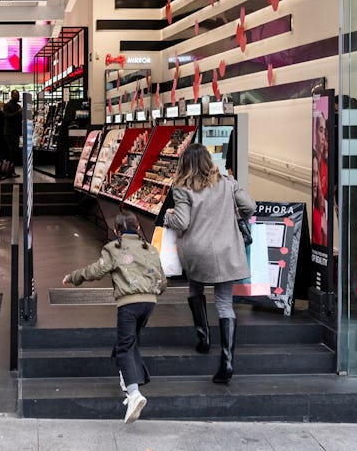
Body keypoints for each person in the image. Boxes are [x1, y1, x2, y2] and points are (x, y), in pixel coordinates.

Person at [163, 142, 255, 385]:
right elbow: (250, 206)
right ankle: (227, 362)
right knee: (225, 304)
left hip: (198, 252)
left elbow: (182, 222)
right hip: (227, 251)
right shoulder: (227, 182)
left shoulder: (182, 188)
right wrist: (234, 220)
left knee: (195, 289)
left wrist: (168, 217)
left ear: (185, 164)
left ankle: (203, 339)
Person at [62, 209, 166, 424]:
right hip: (150, 303)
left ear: (116, 230)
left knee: (125, 346)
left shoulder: (113, 248)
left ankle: (134, 393)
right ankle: (125, 375)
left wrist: (73, 277)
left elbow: (96, 271)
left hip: (129, 304)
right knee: (128, 341)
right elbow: (162, 279)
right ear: (138, 228)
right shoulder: (151, 250)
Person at [2, 89, 23, 176]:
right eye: (15, 95)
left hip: (16, 131)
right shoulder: (7, 105)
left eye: (17, 95)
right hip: (9, 132)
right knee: (11, 152)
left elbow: (19, 119)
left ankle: (12, 170)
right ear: (11, 95)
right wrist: (18, 113)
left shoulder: (18, 106)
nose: (17, 96)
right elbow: (7, 116)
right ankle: (9, 170)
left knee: (15, 151)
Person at [0, 101, 11, 178]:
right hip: (2, 139)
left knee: (0, 157)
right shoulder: (2, 115)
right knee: (4, 157)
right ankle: (2, 172)